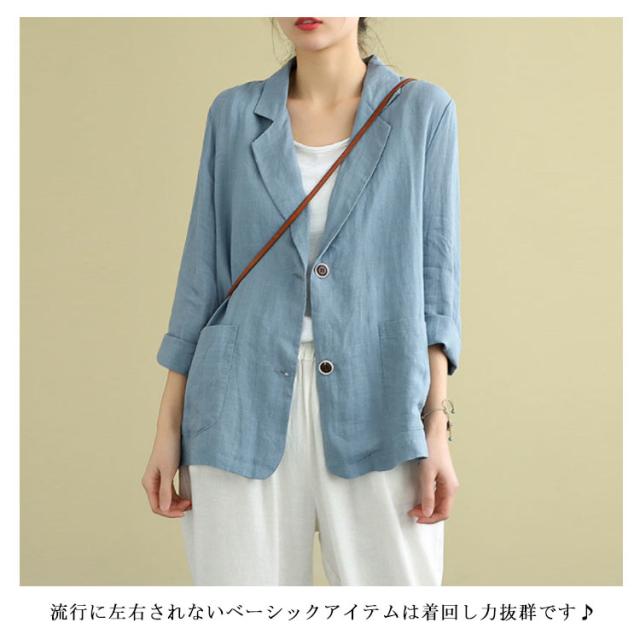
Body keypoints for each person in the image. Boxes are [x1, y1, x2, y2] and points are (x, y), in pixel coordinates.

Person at [142, 17, 462, 586]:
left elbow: (436, 284)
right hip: (236, 404)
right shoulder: (234, 114)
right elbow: (201, 275)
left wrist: (435, 425)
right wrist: (168, 428)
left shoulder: (423, 111)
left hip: (382, 400)